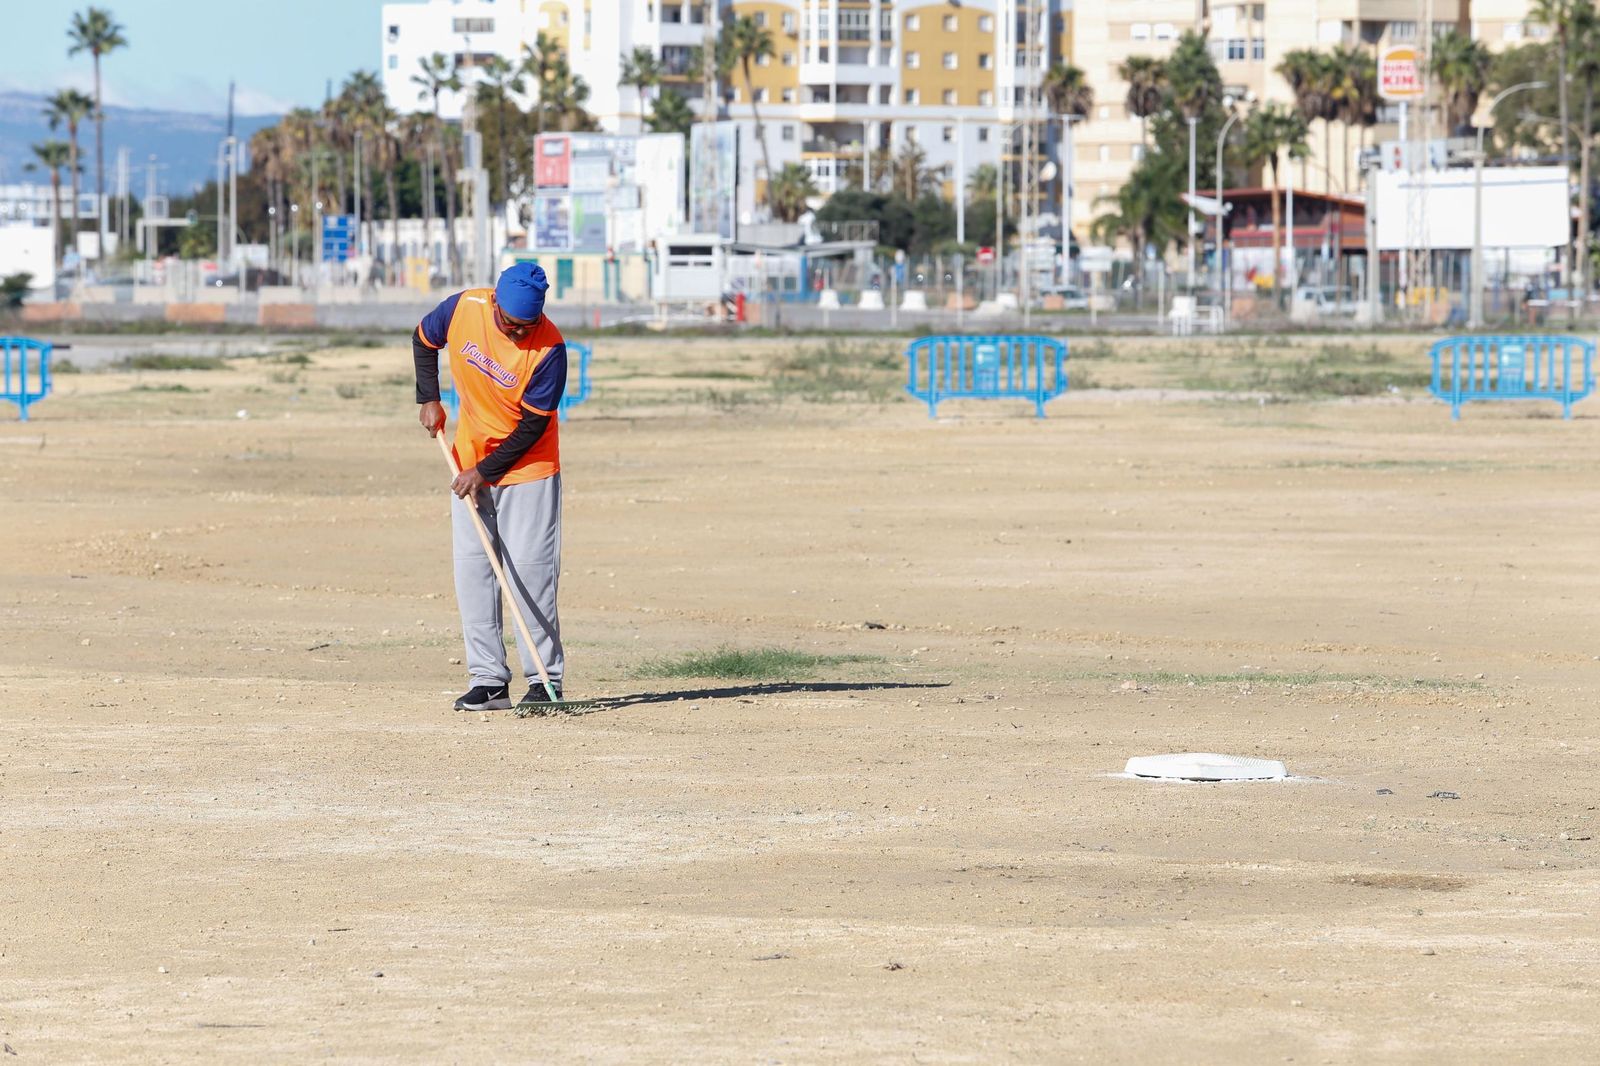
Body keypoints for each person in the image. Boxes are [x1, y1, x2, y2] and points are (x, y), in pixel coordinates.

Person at [413, 262, 568, 712]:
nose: (519, 335)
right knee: (474, 573)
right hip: (467, 463)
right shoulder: (463, 307)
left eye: (528, 327)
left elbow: (532, 428)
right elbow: (423, 341)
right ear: (496, 302)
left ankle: (543, 680)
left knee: (530, 575)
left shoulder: (550, 349)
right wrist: (429, 397)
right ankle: (488, 681)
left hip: (528, 471)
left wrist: (483, 472)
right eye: (511, 325)